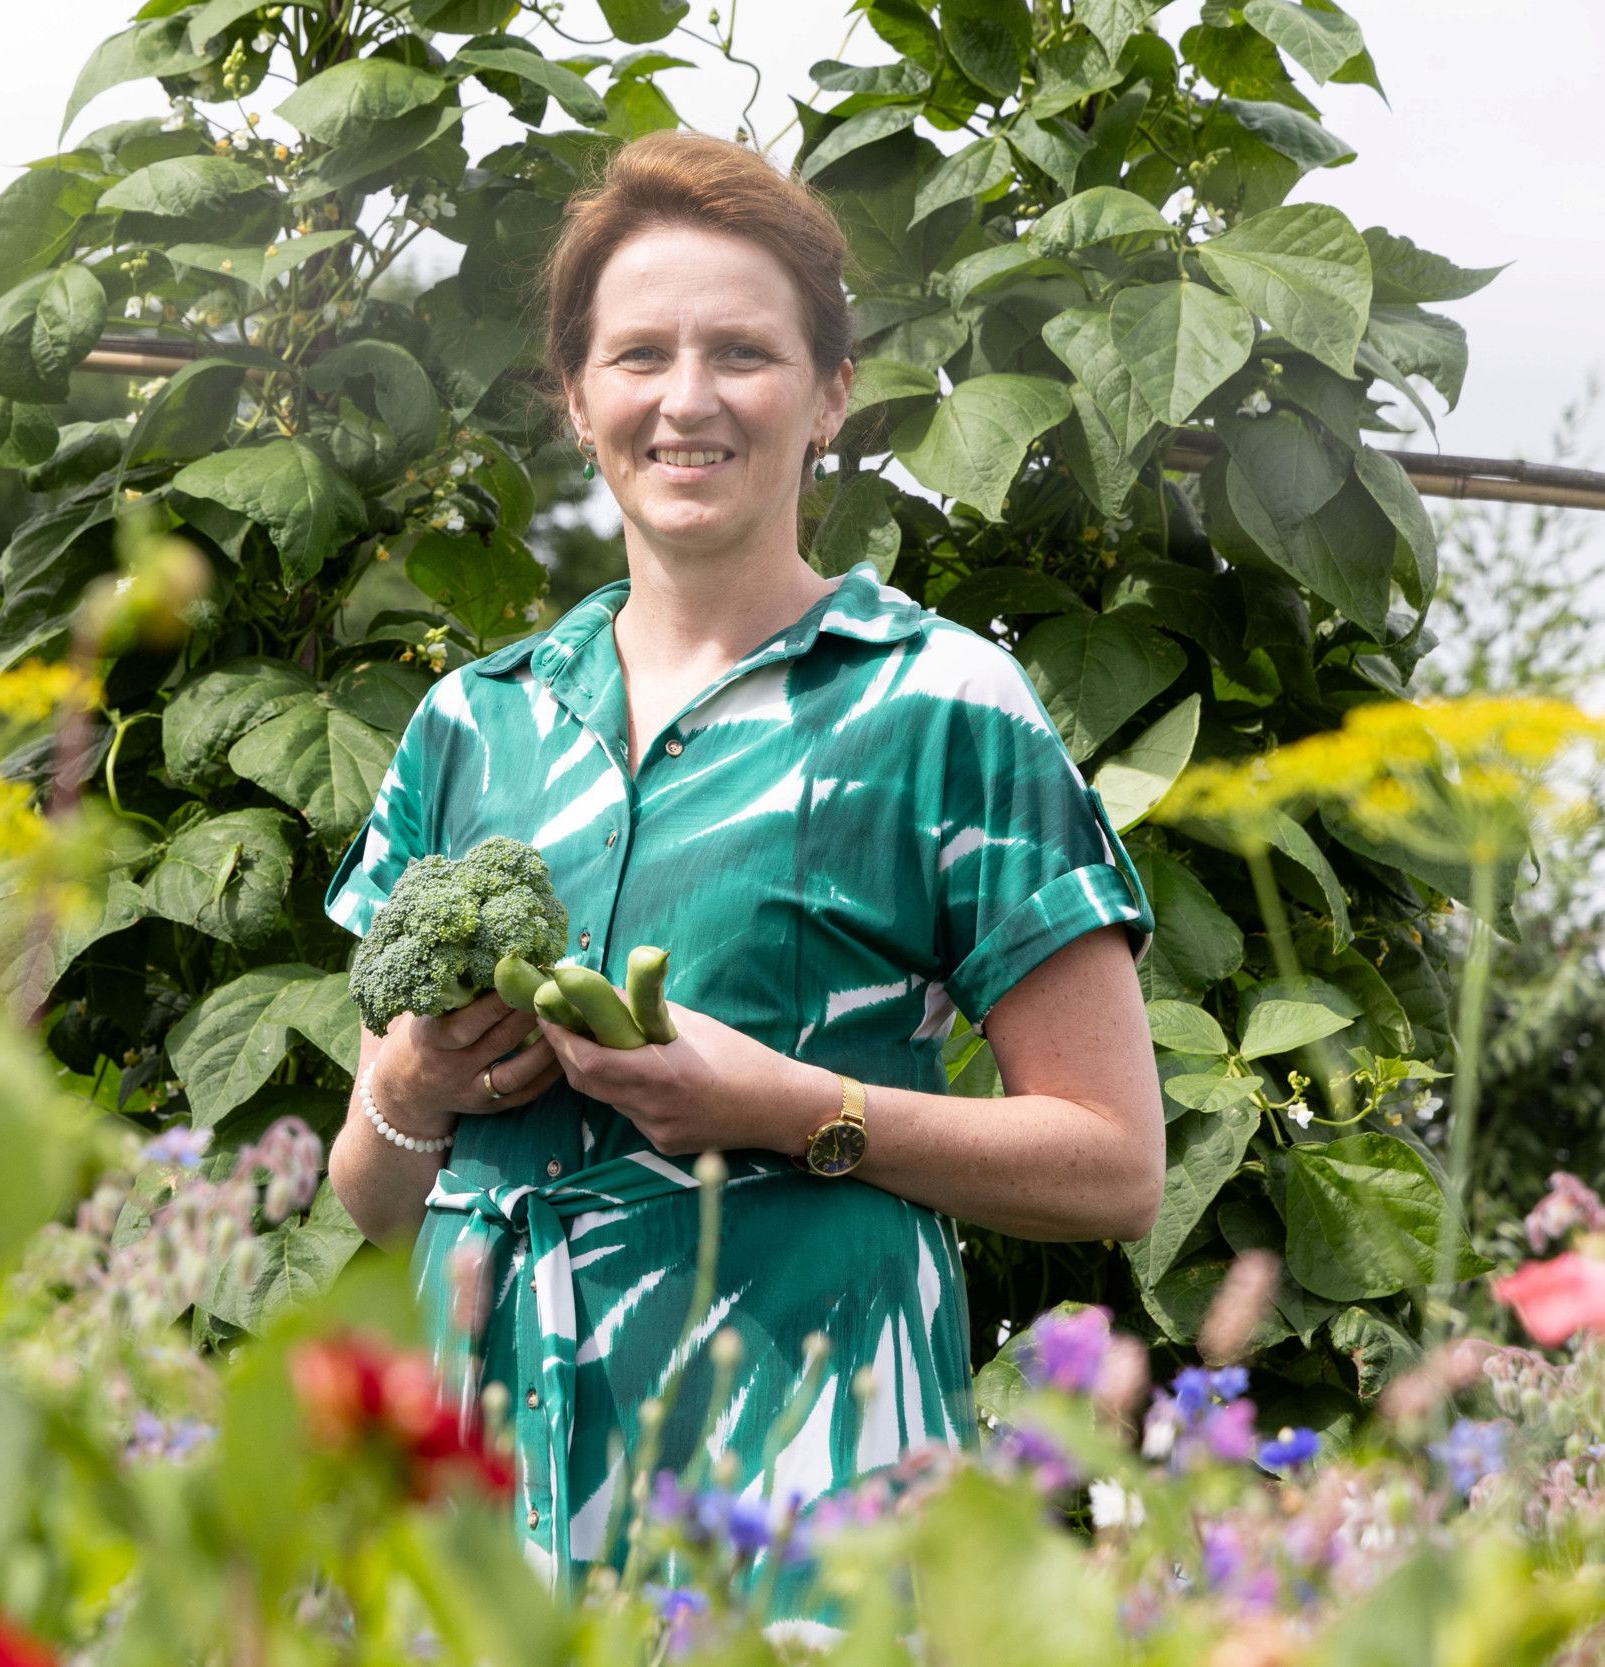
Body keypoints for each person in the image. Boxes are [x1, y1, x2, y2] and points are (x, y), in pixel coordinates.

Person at [321, 130, 1164, 1617]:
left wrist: (789, 1112)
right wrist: (417, 1083)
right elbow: (373, 1195)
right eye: (638, 354)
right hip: (487, 1506)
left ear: (830, 394)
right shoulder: (475, 721)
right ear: (576, 399)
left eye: (745, 353)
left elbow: (1114, 1164)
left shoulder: (945, 708)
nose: (687, 399)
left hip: (803, 1497)